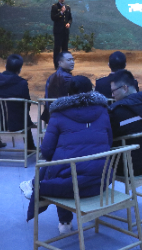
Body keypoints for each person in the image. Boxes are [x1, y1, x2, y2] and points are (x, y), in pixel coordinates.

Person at [20, 76, 112, 234]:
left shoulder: (59, 113)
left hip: (70, 186)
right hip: (102, 180)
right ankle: (35, 184)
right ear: (92, 91)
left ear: (68, 93)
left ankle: (64, 221)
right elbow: (108, 141)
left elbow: (47, 151)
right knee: (66, 166)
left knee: (59, 168)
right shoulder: (103, 110)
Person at [109, 70, 142, 176]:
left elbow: (109, 137)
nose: (112, 95)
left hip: (125, 166)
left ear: (125, 88)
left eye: (113, 91)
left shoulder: (118, 111)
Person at [0, 54, 36, 150]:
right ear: (20, 69)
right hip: (16, 124)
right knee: (25, 116)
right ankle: (30, 148)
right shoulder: (22, 83)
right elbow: (27, 104)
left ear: (5, 66)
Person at [41, 52, 74, 124]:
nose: (72, 62)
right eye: (69, 60)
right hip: (62, 114)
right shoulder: (66, 77)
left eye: (73, 60)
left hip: (52, 113)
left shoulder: (52, 76)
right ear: (60, 62)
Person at [51, 0, 73, 70]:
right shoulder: (54, 7)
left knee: (65, 48)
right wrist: (61, 12)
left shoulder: (67, 7)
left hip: (65, 31)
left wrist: (69, 23)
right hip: (58, 31)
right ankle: (56, 65)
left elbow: (70, 18)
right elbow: (53, 18)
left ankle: (65, 65)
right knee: (57, 48)